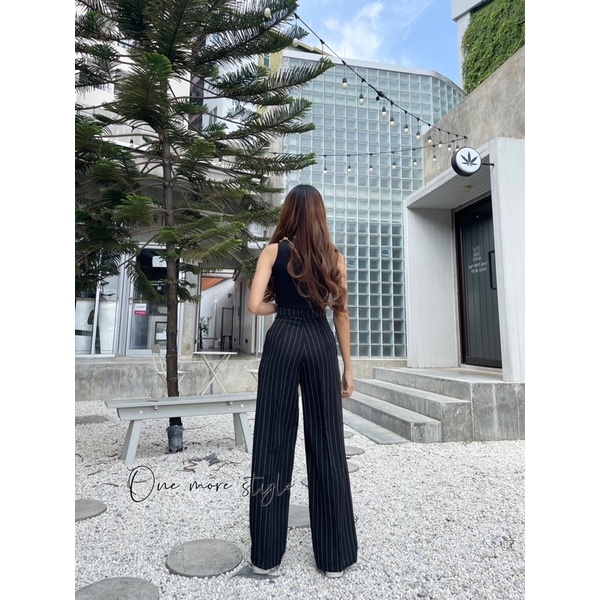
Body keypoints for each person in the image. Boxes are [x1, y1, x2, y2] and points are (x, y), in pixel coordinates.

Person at [246, 184, 358, 578]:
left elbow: (254, 304)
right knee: (327, 441)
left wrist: (282, 303)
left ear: (289, 213)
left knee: (272, 440)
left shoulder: (273, 251)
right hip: (319, 340)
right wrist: (348, 367)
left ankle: (266, 557)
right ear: (320, 215)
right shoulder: (335, 256)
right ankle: (334, 558)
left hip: (283, 339)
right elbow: (340, 313)